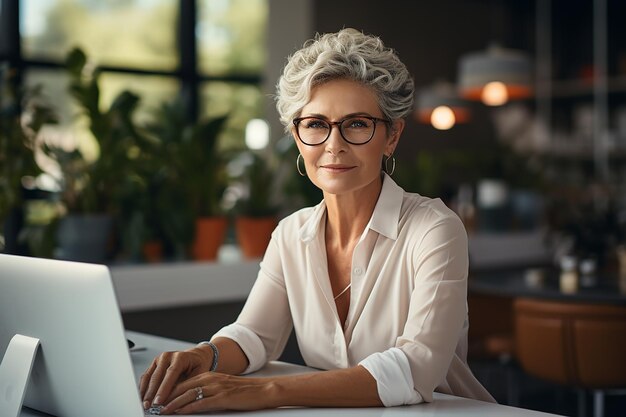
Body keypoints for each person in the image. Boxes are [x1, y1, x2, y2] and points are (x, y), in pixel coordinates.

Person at [140, 28, 495, 414]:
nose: (333, 145)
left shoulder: (434, 229)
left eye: (357, 123)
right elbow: (256, 335)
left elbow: (414, 369)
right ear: (296, 135)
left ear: (392, 136)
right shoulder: (291, 233)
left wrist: (263, 392)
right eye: (315, 124)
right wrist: (204, 356)